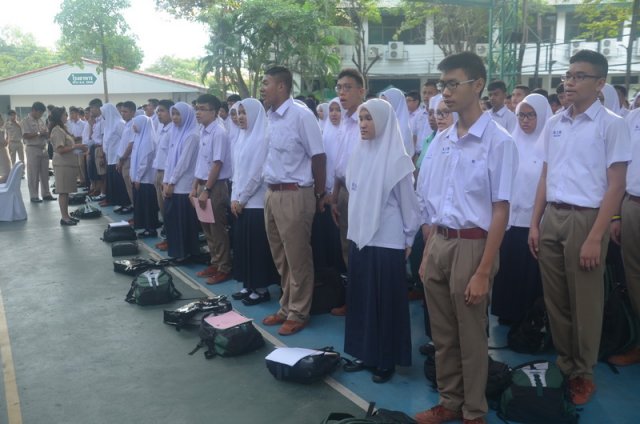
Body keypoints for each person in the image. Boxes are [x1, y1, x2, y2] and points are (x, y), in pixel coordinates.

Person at [415, 51, 517, 424]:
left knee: (472, 337)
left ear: (477, 85)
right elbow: (433, 200)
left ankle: (474, 411)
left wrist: (483, 271)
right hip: (440, 241)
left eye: (452, 84)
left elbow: (501, 210)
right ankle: (449, 401)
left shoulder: (498, 141)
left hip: (474, 245)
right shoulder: (443, 140)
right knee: (442, 335)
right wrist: (428, 251)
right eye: (442, 85)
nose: (445, 92)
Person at [528, 50, 631, 405]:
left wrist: (595, 236)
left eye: (579, 76)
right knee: (556, 301)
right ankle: (565, 362)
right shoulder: (555, 123)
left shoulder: (612, 124)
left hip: (588, 218)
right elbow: (545, 174)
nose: (569, 82)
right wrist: (535, 222)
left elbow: (616, 185)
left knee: (585, 302)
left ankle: (584, 373)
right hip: (553, 215)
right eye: (568, 75)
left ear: (600, 83)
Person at [342, 98, 420, 384]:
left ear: (384, 121)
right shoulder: (359, 154)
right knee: (363, 297)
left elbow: (409, 205)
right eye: (361, 118)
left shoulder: (397, 161)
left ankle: (386, 358)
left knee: (385, 301)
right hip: (361, 238)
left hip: (387, 240)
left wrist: (409, 236)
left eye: (369, 118)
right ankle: (366, 352)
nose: (362, 124)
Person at [260, 66, 327, 336]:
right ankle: (286, 305)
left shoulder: (301, 115)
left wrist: (319, 194)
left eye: (266, 83)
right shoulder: (270, 117)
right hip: (272, 193)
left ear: (282, 87)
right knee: (281, 256)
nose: (262, 87)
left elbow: (318, 157)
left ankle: (299, 312)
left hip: (295, 194)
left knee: (298, 256)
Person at [491, 94, 551, 324]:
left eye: (531, 115)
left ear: (542, 115)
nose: (525, 121)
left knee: (531, 273)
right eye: (521, 115)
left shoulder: (549, 147)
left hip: (535, 222)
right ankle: (508, 314)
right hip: (509, 221)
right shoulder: (511, 143)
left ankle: (530, 320)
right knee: (510, 269)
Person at [230, 98, 280, 305]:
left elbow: (257, 174)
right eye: (238, 113)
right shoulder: (241, 138)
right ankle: (248, 284)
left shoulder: (262, 138)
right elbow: (237, 172)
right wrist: (234, 197)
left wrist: (241, 198)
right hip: (240, 202)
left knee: (257, 247)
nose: (240, 117)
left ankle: (260, 288)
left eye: (244, 113)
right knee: (243, 246)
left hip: (256, 203)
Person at [330, 68, 367, 316]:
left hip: (362, 194)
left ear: (361, 91)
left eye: (347, 87)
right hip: (343, 192)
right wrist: (334, 195)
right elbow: (339, 163)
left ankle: (365, 300)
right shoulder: (344, 121)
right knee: (347, 248)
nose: (342, 93)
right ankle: (354, 299)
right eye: (339, 88)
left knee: (361, 248)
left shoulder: (368, 120)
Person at [606, 102, 640, 366]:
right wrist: (616, 215)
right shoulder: (632, 119)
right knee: (634, 278)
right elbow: (620, 171)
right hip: (633, 204)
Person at [191, 94, 233, 285]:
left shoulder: (219, 132)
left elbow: (217, 164)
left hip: (215, 187)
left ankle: (224, 267)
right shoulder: (204, 130)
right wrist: (195, 186)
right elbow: (201, 162)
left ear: (214, 112)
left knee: (217, 229)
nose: (198, 112)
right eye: (197, 108)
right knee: (207, 228)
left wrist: (206, 189)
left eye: (202, 109)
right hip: (203, 185)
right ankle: (215, 262)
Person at [163, 102, 201, 261]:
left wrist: (171, 182)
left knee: (183, 223)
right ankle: (177, 252)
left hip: (183, 186)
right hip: (172, 184)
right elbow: (169, 159)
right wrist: (166, 181)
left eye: (178, 114)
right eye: (173, 114)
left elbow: (183, 163)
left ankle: (186, 253)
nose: (175, 117)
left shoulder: (192, 135)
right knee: (173, 222)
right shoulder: (175, 132)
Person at [49, 107, 87, 225]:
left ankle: (67, 216)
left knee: (66, 192)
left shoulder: (62, 129)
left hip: (67, 164)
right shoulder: (57, 130)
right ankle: (64, 218)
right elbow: (60, 149)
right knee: (63, 192)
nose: (67, 117)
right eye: (65, 115)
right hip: (62, 164)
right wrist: (76, 147)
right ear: (59, 117)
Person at [130, 114, 160, 237]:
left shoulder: (148, 139)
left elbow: (145, 161)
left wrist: (138, 177)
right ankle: (145, 226)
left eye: (135, 124)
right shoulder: (139, 137)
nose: (133, 126)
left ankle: (151, 229)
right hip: (139, 178)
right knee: (142, 204)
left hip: (146, 179)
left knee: (148, 206)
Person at [152, 99, 175, 251]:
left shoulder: (174, 130)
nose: (159, 114)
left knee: (168, 209)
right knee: (162, 208)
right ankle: (168, 236)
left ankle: (171, 239)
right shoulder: (162, 128)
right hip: (158, 171)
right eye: (158, 111)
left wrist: (168, 179)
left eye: (162, 111)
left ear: (170, 112)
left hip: (167, 174)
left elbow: (172, 157)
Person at [21, 102, 55, 203]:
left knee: (45, 173)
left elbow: (46, 132)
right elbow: (25, 135)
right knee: (33, 174)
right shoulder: (25, 121)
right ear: (34, 110)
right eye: (40, 112)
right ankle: (34, 195)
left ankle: (46, 194)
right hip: (32, 148)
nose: (41, 115)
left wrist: (46, 134)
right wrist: (39, 133)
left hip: (43, 148)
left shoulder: (40, 120)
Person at [100, 103, 128, 210]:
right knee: (112, 180)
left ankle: (122, 202)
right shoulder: (108, 124)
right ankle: (112, 200)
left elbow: (124, 140)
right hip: (110, 157)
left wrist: (121, 157)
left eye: (103, 113)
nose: (102, 115)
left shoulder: (119, 123)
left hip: (117, 157)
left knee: (119, 181)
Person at [380, 87, 415, 157]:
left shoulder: (403, 129)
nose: (382, 107)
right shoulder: (382, 124)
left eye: (386, 103)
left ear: (395, 104)